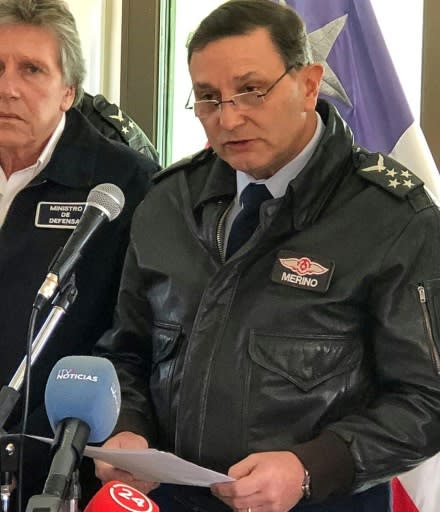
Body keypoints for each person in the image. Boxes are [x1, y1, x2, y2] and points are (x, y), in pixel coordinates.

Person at [94, 1, 440, 511]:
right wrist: (127, 428)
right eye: (208, 98)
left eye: (251, 90)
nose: (229, 117)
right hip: (171, 498)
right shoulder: (168, 202)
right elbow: (127, 351)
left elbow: (426, 400)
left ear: (308, 84)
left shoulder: (392, 218)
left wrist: (309, 468)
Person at [0, 0, 159, 508]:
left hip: (59, 456)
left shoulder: (122, 181)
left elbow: (141, 328)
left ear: (68, 90)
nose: (8, 87)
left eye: (32, 69)